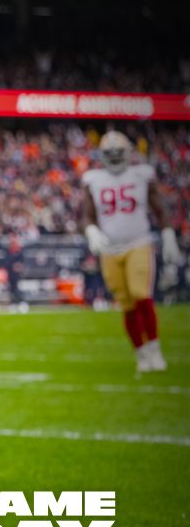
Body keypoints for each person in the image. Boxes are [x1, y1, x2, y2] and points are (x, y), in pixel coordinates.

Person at [82, 131, 182, 372]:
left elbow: (159, 209)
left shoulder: (141, 175)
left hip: (138, 242)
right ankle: (141, 353)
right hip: (109, 248)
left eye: (118, 153)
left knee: (141, 294)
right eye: (110, 153)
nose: (115, 157)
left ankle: (155, 350)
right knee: (126, 304)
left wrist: (168, 235)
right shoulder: (93, 179)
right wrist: (91, 230)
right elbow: (87, 215)